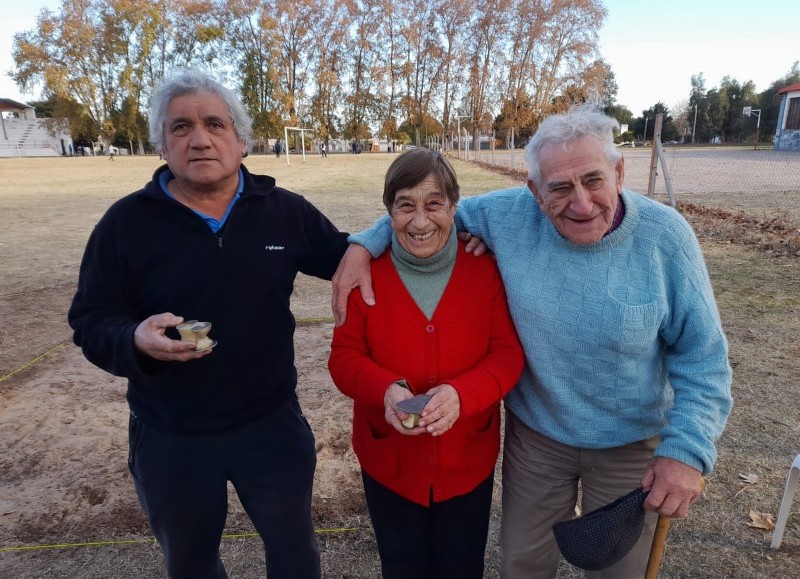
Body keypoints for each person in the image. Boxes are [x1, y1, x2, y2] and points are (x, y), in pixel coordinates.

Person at [331, 104, 733, 579]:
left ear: (620, 172)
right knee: (522, 564)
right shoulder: (508, 216)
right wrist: (362, 245)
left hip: (631, 440)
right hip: (539, 439)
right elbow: (423, 213)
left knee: (618, 569)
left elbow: (704, 361)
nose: (580, 203)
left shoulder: (668, 240)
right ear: (535, 192)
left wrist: (686, 451)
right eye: (560, 187)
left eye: (593, 180)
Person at [68, 69, 349, 579]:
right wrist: (132, 338)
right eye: (180, 127)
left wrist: (447, 239)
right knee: (191, 564)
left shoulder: (284, 212)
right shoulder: (124, 224)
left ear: (241, 140)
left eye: (215, 124)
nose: (199, 139)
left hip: (271, 425)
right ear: (161, 145)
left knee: (295, 555)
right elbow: (89, 319)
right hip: (170, 433)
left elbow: (347, 257)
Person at [328, 148, 523, 578]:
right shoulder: (364, 274)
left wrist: (461, 395)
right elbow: (343, 359)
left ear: (455, 207)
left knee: (461, 565)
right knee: (402, 565)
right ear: (389, 211)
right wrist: (385, 390)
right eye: (405, 206)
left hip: (465, 462)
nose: (420, 221)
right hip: (390, 464)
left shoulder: (486, 270)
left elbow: (507, 355)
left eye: (434, 204)